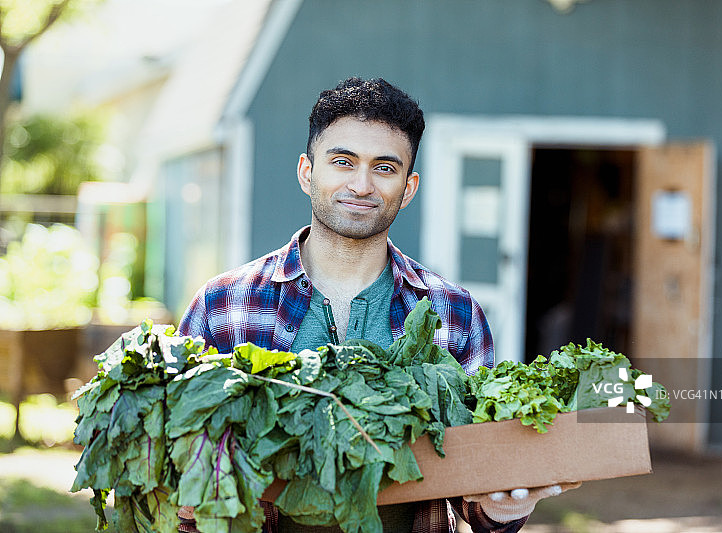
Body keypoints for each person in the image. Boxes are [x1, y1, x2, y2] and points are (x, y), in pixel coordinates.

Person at [176, 77, 578, 533]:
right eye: (343, 162)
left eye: (385, 168)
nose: (361, 185)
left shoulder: (453, 313)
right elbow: (182, 478)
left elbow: (477, 498)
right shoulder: (225, 303)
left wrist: (505, 507)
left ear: (408, 188)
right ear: (308, 172)